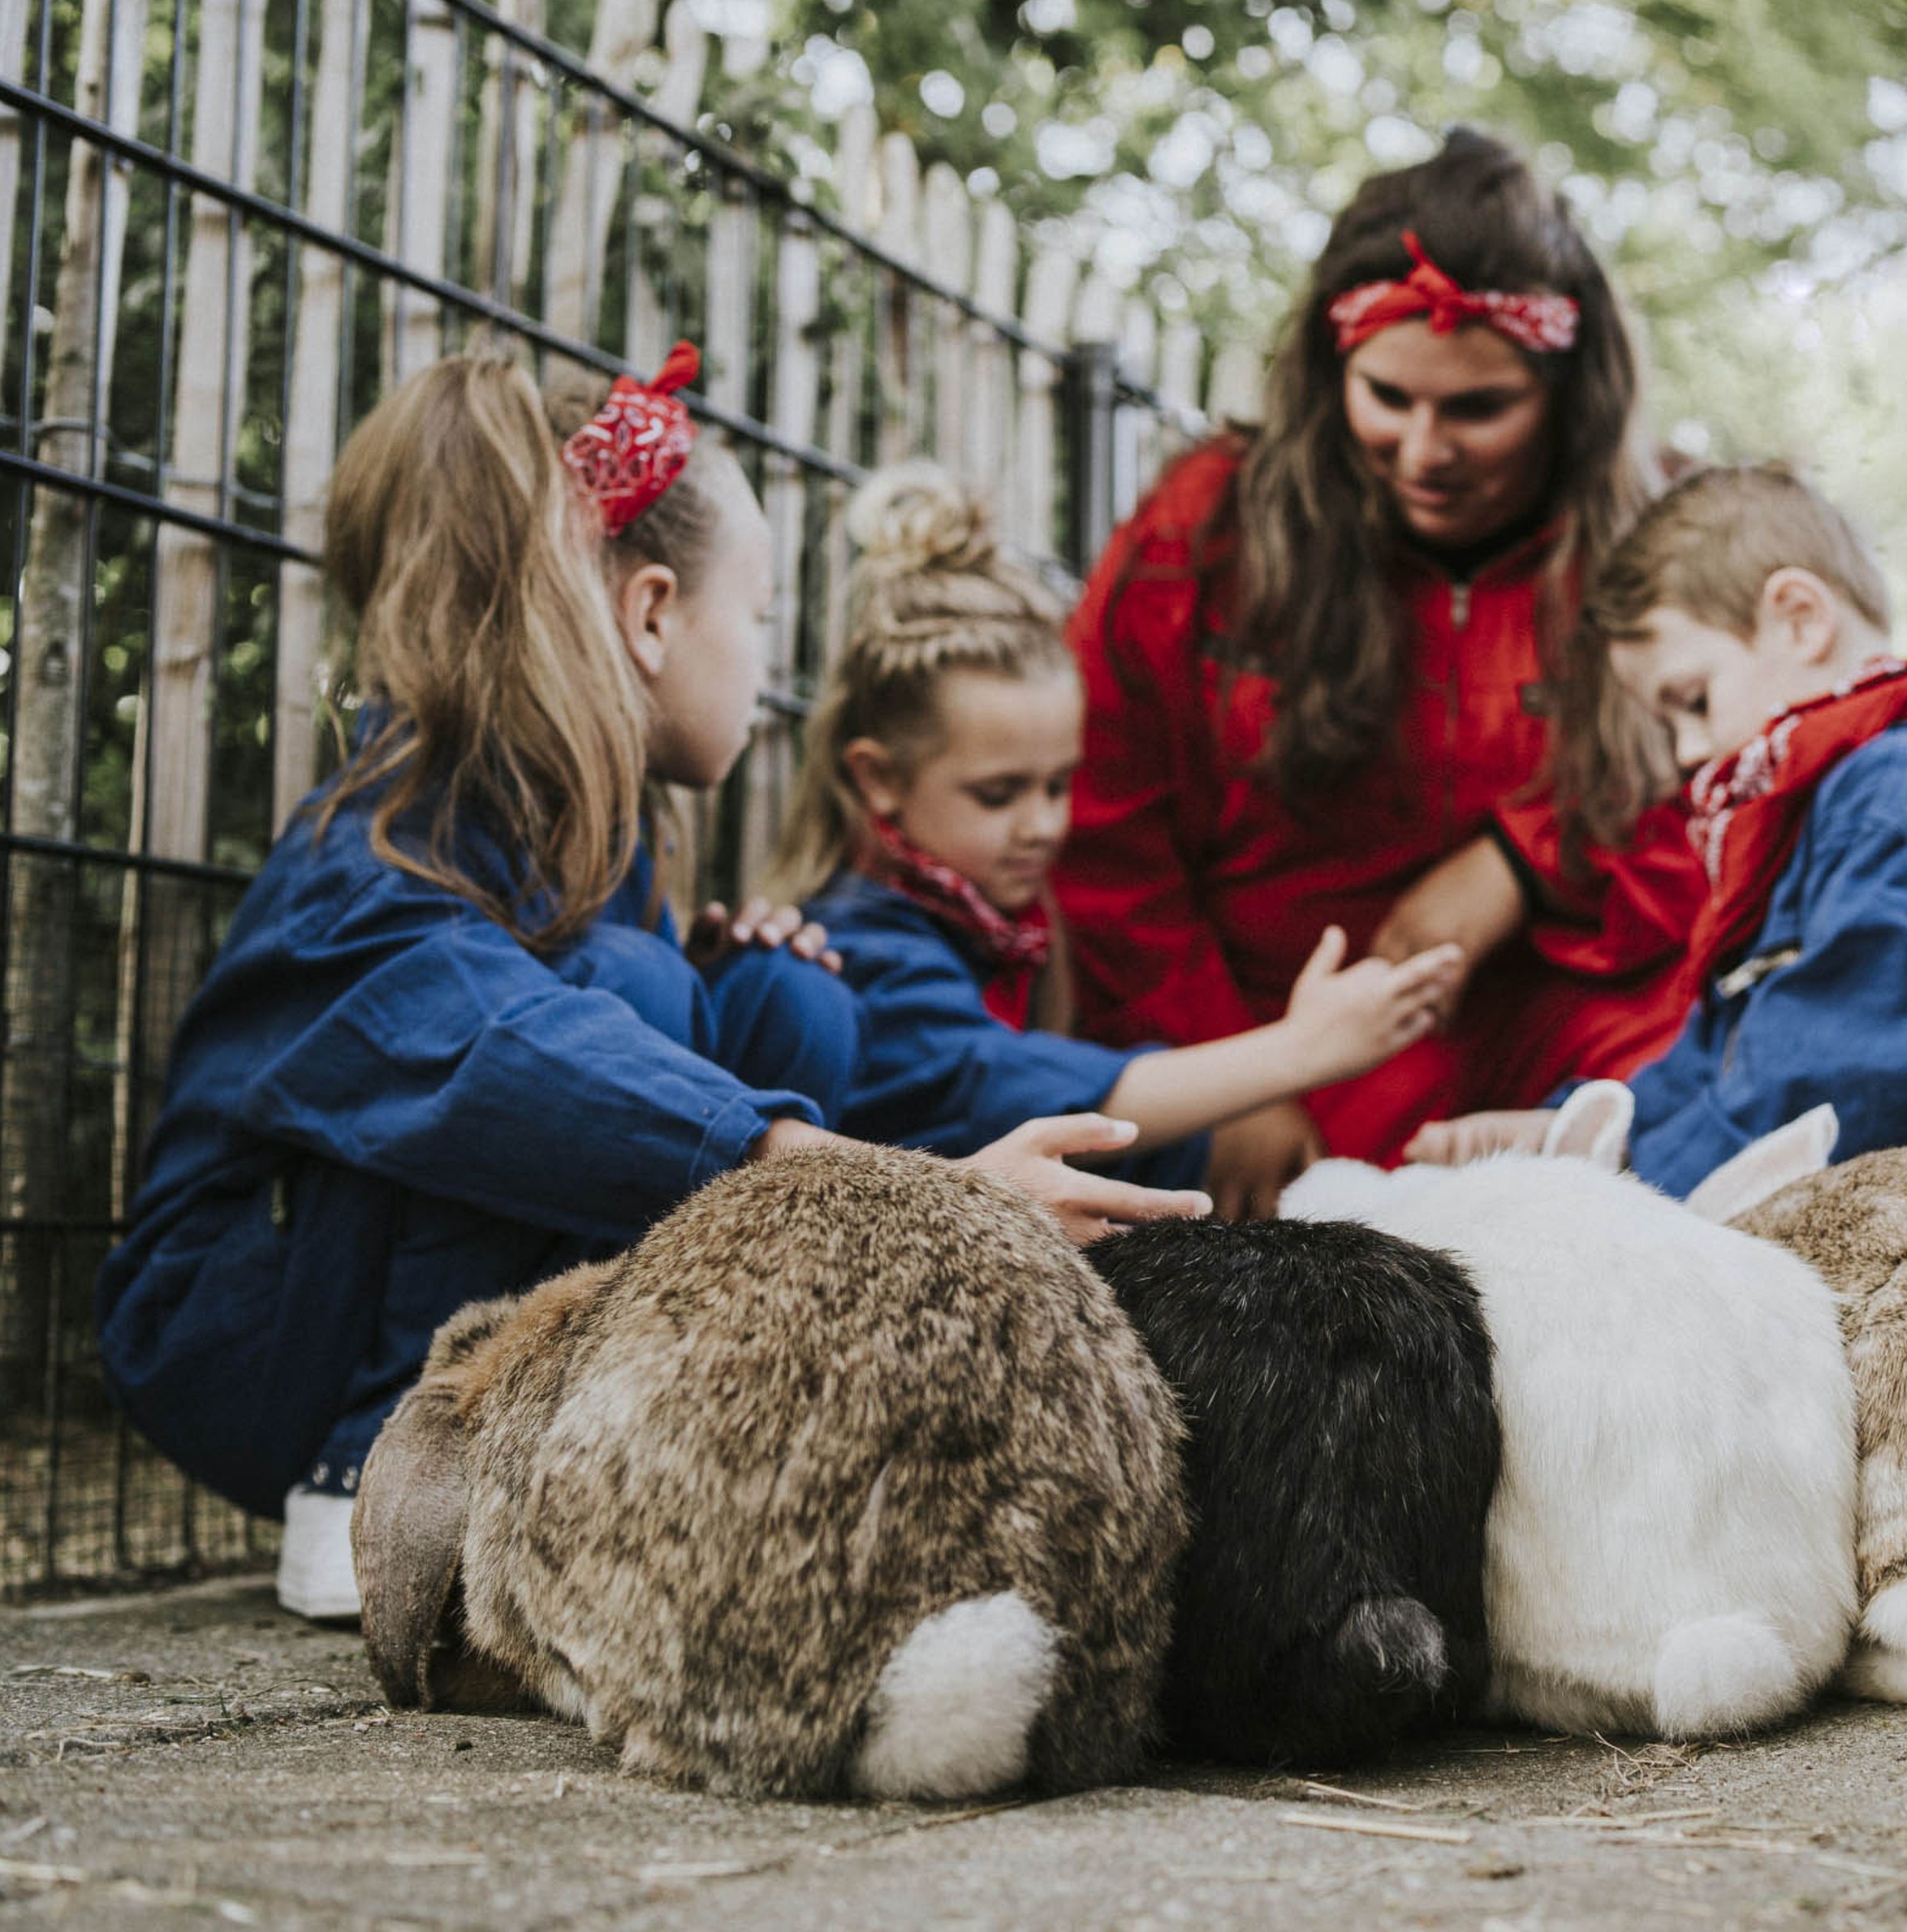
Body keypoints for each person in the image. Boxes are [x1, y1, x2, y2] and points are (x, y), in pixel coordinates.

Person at [95, 349, 1204, 1622]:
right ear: (654, 613)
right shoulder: (400, 818)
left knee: (789, 1005)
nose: (768, 665)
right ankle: (372, 1479)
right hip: (242, 1336)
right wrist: (910, 1199)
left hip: (333, 1293)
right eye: (763, 622)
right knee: (628, 991)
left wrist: (730, 981)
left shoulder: (596, 825)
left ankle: (605, 1457)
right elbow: (502, 1056)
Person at [1057, 129, 1705, 1214]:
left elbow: (1734, 812)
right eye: (1389, 398)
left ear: (1568, 395)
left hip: (1562, 1028)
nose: (1424, 450)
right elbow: (1109, 835)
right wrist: (1244, 1077)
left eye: (1479, 409)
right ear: (1330, 371)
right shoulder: (1202, 534)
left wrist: (1524, 855)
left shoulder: (1661, 547)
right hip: (1256, 1034)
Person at [1409, 464, 1907, 1196]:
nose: (1685, 753)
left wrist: (1620, 1188)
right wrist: (1573, 1129)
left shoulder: (1903, 807)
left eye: (1693, 701)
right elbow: (1724, 1062)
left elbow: (1815, 1095)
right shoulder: (1809, 820)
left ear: (1801, 618)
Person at [765, 468, 1463, 1186]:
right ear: (879, 778)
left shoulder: (1000, 930)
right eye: (998, 794)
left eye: (1059, 785)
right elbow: (1006, 1089)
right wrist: (1300, 1050)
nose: (1042, 826)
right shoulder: (856, 951)